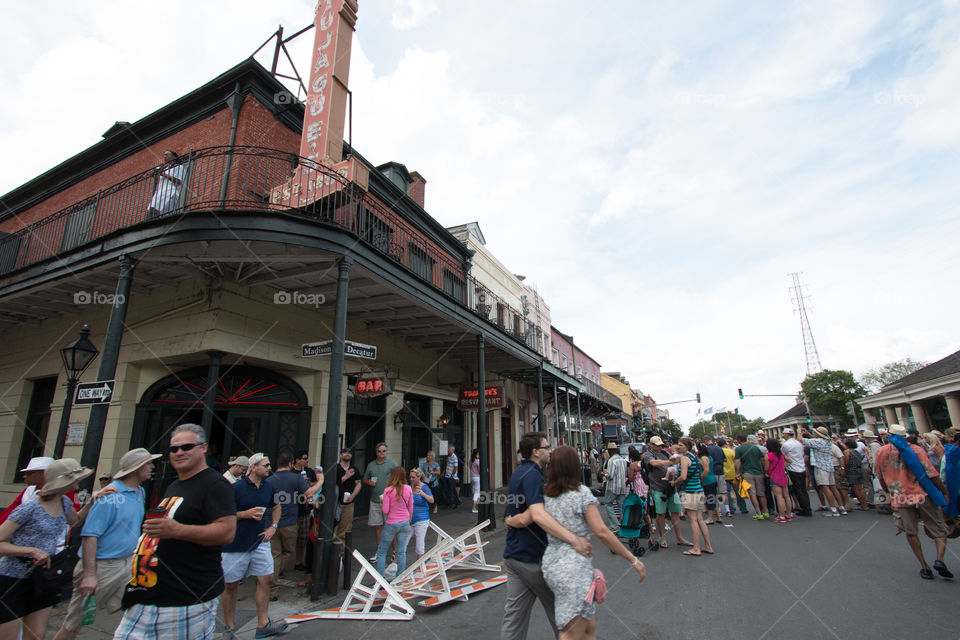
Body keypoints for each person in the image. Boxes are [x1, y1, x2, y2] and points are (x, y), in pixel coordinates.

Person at [506, 446, 645, 640]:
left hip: (553, 564)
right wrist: (632, 559)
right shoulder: (581, 494)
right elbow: (602, 532)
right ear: (575, 467)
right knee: (573, 632)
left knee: (587, 625)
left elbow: (524, 519)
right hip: (574, 568)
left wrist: (508, 520)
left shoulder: (545, 495)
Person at [115, 424, 237, 640]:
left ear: (203, 448)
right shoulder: (174, 486)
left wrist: (177, 530)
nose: (180, 452)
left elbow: (226, 532)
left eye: (187, 447)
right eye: (174, 449)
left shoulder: (215, 484)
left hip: (186, 599)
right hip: (147, 595)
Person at [53, 449, 159, 640]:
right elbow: (89, 536)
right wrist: (89, 575)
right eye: (148, 463)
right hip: (102, 567)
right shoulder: (109, 496)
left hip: (127, 564)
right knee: (74, 624)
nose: (152, 467)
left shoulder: (140, 492)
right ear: (135, 469)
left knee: (141, 608)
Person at [501, 433, 593, 640]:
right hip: (533, 558)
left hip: (514, 556)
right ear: (535, 452)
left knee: (513, 620)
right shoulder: (532, 475)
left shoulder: (519, 473)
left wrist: (514, 519)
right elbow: (538, 515)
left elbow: (517, 512)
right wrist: (573, 539)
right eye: (546, 446)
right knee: (565, 617)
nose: (550, 450)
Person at [0, 459, 92, 640]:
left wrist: (92, 501)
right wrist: (30, 551)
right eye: (76, 478)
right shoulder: (30, 507)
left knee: (36, 635)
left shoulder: (64, 502)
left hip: (44, 577)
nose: (78, 482)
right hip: (13, 578)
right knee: (8, 636)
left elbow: (75, 521)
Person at [220, 453, 286, 640]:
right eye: (265, 465)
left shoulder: (268, 487)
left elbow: (276, 507)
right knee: (231, 585)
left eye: (269, 464)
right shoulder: (236, 488)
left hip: (260, 541)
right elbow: (224, 513)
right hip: (235, 543)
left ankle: (263, 623)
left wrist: (273, 527)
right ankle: (229, 627)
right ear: (253, 467)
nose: (269, 468)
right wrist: (245, 514)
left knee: (266, 580)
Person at [875, 424, 953, 580]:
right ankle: (939, 559)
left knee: (911, 532)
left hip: (900, 496)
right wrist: (944, 491)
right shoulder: (916, 450)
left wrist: (890, 493)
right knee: (938, 528)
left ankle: (924, 566)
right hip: (922, 493)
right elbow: (931, 473)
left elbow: (880, 477)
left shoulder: (881, 452)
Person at [268, 451, 321, 599]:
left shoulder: (270, 480)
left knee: (275, 555)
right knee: (286, 552)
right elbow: (309, 492)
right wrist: (321, 481)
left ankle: (271, 584)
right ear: (291, 463)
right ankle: (271, 578)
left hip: (272, 523)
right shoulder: (295, 478)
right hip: (289, 522)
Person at [643, 436, 691, 548]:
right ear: (651, 445)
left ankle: (679, 537)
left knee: (675, 512)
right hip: (658, 487)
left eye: (661, 445)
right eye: (657, 445)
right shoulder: (648, 455)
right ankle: (662, 538)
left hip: (671, 487)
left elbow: (676, 460)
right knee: (661, 513)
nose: (660, 447)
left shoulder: (665, 453)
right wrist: (669, 462)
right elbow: (654, 463)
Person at [673, 438, 713, 556]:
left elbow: (683, 477)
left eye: (680, 445)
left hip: (690, 492)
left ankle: (696, 548)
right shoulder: (694, 456)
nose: (678, 447)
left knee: (693, 520)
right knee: (700, 519)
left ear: (686, 446)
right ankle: (708, 545)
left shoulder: (685, 458)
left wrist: (675, 482)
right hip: (699, 490)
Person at [798, 427, 846, 516]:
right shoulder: (828, 442)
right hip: (829, 465)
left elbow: (801, 439)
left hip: (820, 466)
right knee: (833, 487)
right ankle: (841, 507)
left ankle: (833, 508)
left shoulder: (817, 442)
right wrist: (809, 434)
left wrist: (800, 432)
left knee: (825, 487)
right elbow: (816, 440)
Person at [362, 442, 399, 560]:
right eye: (379, 451)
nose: (381, 453)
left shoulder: (392, 464)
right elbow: (364, 479)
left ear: (386, 452)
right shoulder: (371, 465)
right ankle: (380, 551)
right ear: (376, 452)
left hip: (388, 500)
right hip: (375, 500)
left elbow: (399, 477)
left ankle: (395, 551)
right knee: (378, 527)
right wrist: (369, 482)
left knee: (390, 526)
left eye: (384, 451)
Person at [376, 466, 413, 576]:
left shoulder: (388, 490)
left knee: (382, 552)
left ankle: (380, 577)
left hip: (392, 522)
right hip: (405, 522)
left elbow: (385, 510)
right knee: (401, 552)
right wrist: (409, 520)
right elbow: (410, 508)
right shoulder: (408, 489)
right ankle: (400, 576)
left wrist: (382, 500)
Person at [0, 457, 55, 526]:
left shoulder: (63, 492)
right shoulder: (29, 490)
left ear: (44, 473)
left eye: (29, 473)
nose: (24, 476)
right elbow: (11, 512)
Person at [292, 450, 319, 571]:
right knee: (290, 538)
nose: (307, 460)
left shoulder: (309, 471)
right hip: (292, 508)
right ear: (297, 460)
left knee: (303, 538)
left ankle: (298, 562)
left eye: (307, 458)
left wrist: (310, 483)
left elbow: (314, 485)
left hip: (305, 509)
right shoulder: (291, 472)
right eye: (304, 458)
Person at [734, 433, 769, 519]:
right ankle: (765, 511)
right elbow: (762, 460)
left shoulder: (739, 449)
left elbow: (738, 462)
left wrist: (737, 472)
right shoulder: (756, 448)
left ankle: (758, 512)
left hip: (747, 472)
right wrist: (764, 470)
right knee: (761, 493)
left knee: (752, 493)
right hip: (759, 472)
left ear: (738, 440)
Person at [780, 429, 812, 516]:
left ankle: (805, 509)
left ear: (786, 434)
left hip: (793, 468)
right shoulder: (798, 443)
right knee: (803, 490)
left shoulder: (786, 445)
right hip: (801, 467)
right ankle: (807, 507)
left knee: (798, 490)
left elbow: (783, 455)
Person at [147, 150, 187, 216]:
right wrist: (155, 175)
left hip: (170, 191)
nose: (164, 156)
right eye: (164, 155)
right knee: (152, 211)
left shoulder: (179, 167)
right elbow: (158, 180)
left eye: (167, 155)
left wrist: (163, 174)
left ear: (174, 157)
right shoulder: (165, 169)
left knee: (163, 212)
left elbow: (179, 181)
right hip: (159, 192)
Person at [333, 447, 360, 545]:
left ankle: (341, 553)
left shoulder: (354, 469)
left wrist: (353, 495)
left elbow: (358, 483)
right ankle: (331, 553)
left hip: (348, 504)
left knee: (345, 530)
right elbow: (332, 484)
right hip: (336, 503)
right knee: (333, 528)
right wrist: (346, 477)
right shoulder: (335, 468)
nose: (347, 454)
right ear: (340, 455)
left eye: (349, 453)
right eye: (344, 452)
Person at [602, 442, 629, 534]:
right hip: (622, 486)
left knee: (609, 505)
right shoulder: (622, 460)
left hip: (612, 487)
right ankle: (624, 524)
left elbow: (610, 475)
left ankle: (615, 526)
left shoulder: (611, 461)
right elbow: (625, 473)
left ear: (610, 451)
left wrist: (604, 473)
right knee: (621, 506)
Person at [408, 468, 434, 558]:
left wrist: (423, 494)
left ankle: (420, 567)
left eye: (413, 477)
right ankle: (396, 564)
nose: (411, 479)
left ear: (418, 477)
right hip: (410, 519)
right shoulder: (409, 487)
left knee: (419, 545)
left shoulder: (424, 487)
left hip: (421, 519)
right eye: (410, 477)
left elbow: (432, 500)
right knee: (403, 542)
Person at [765, 439, 791, 522]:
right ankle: (788, 514)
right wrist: (784, 466)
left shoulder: (768, 455)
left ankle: (781, 515)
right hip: (783, 475)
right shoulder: (781, 454)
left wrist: (766, 472)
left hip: (774, 476)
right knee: (786, 496)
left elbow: (766, 468)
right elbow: (790, 461)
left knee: (779, 497)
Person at [843, 438, 869, 510]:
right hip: (859, 470)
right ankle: (865, 504)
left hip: (852, 471)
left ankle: (863, 505)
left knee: (856, 489)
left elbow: (847, 462)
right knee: (860, 488)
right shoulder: (856, 452)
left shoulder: (847, 452)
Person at [698, 443, 721, 525]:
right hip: (712, 479)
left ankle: (710, 518)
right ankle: (718, 517)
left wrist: (701, 476)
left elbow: (706, 470)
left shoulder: (703, 458)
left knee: (710, 500)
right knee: (713, 498)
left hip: (707, 481)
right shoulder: (710, 457)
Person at [420, 450, 441, 515]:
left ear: (432, 457)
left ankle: (435, 506)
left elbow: (438, 472)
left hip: (433, 482)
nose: (427, 457)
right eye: (427, 456)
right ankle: (426, 507)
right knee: (425, 494)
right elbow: (422, 472)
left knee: (434, 494)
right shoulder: (424, 465)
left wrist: (432, 472)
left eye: (429, 456)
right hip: (426, 481)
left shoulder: (435, 464)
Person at [470, 448, 481, 513]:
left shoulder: (471, 460)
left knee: (475, 491)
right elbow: (479, 470)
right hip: (477, 477)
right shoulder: (477, 461)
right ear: (477, 454)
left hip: (472, 477)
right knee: (477, 492)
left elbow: (470, 467)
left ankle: (477, 504)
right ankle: (473, 507)